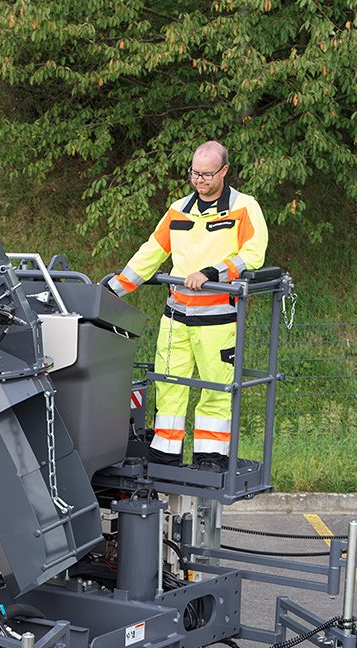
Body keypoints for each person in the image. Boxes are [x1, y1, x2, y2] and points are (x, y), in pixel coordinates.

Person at [107, 141, 268, 470]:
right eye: (194, 173)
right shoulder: (178, 209)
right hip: (176, 315)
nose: (199, 180)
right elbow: (151, 252)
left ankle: (210, 457)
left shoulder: (244, 207)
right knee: (168, 384)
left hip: (218, 317)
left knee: (216, 388)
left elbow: (253, 252)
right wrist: (113, 289)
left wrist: (212, 273)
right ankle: (165, 452)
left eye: (207, 174)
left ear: (223, 171)